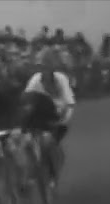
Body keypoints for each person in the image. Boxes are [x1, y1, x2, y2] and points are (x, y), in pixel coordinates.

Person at [18, 56, 76, 186]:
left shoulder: (61, 79)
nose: (43, 71)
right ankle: (31, 172)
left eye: (46, 68)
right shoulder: (35, 79)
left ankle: (53, 175)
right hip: (41, 112)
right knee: (28, 142)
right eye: (40, 68)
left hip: (58, 114)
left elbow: (69, 103)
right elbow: (26, 97)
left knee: (48, 143)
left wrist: (64, 120)